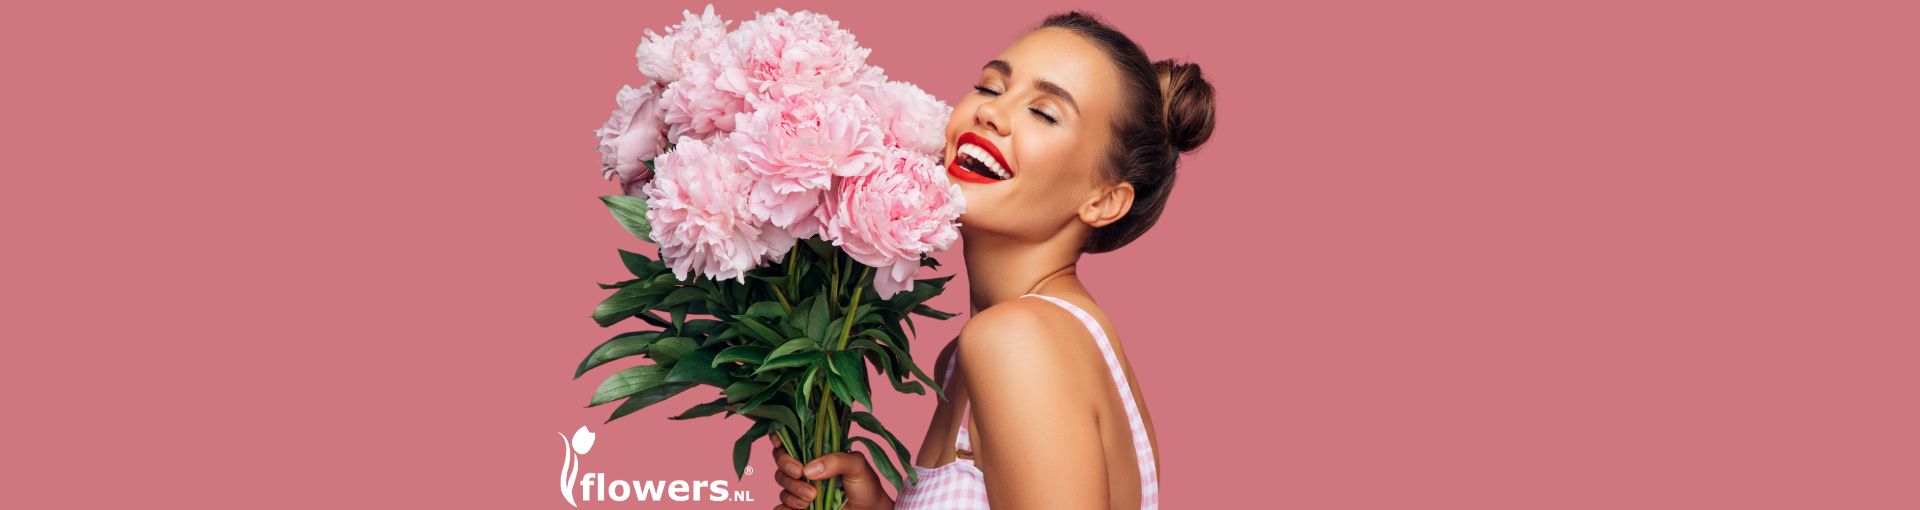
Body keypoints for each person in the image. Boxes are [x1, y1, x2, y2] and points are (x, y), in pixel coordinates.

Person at [772, 10, 1216, 509]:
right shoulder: (986, 350)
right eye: (989, 87)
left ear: (1103, 200)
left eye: (1045, 113)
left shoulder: (1016, 340)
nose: (991, 112)